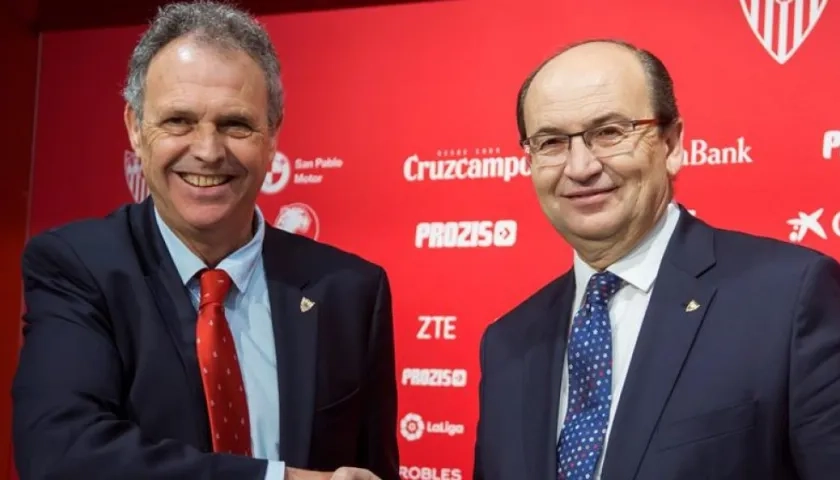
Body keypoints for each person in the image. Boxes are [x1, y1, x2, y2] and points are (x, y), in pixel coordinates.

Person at [11, 3, 398, 480]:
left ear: (273, 135)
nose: (208, 151)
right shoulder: (77, 267)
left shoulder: (351, 290)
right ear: (135, 127)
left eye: (236, 124)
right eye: (178, 121)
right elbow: (62, 455)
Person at [472, 39, 840, 480]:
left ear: (670, 144)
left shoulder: (789, 297)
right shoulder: (508, 342)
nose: (581, 166)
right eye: (551, 142)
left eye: (609, 132)